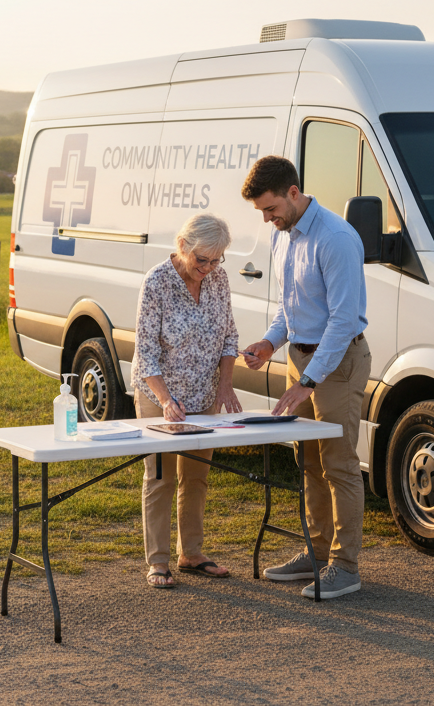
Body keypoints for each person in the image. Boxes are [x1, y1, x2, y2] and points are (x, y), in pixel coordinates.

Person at [239, 155, 370, 599]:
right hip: (301, 359)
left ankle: (345, 567)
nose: (267, 218)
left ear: (293, 193)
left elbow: (341, 321)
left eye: (270, 208)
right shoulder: (285, 235)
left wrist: (306, 382)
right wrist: (269, 343)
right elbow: (291, 308)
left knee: (339, 464)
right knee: (308, 461)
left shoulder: (336, 238)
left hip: (337, 365)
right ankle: (315, 553)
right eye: (261, 211)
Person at [132, 212, 243, 588]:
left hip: (204, 393)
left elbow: (229, 336)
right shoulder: (157, 283)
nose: (209, 268)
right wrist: (165, 400)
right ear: (183, 247)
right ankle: (157, 561)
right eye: (202, 260)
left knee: (196, 477)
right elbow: (145, 352)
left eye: (216, 260)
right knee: (160, 476)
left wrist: (225, 385)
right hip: (158, 394)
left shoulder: (218, 279)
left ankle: (191, 554)